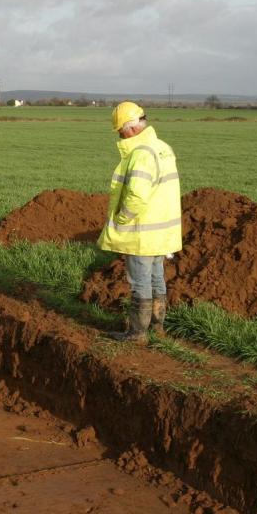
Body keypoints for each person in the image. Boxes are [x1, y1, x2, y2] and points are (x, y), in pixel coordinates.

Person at [98, 101, 183, 343]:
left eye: (119, 130)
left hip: (142, 232)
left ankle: (137, 332)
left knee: (140, 282)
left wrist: (123, 218)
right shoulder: (162, 147)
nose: (119, 135)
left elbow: (136, 196)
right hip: (162, 231)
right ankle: (158, 327)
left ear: (131, 128)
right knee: (157, 277)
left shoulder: (141, 154)